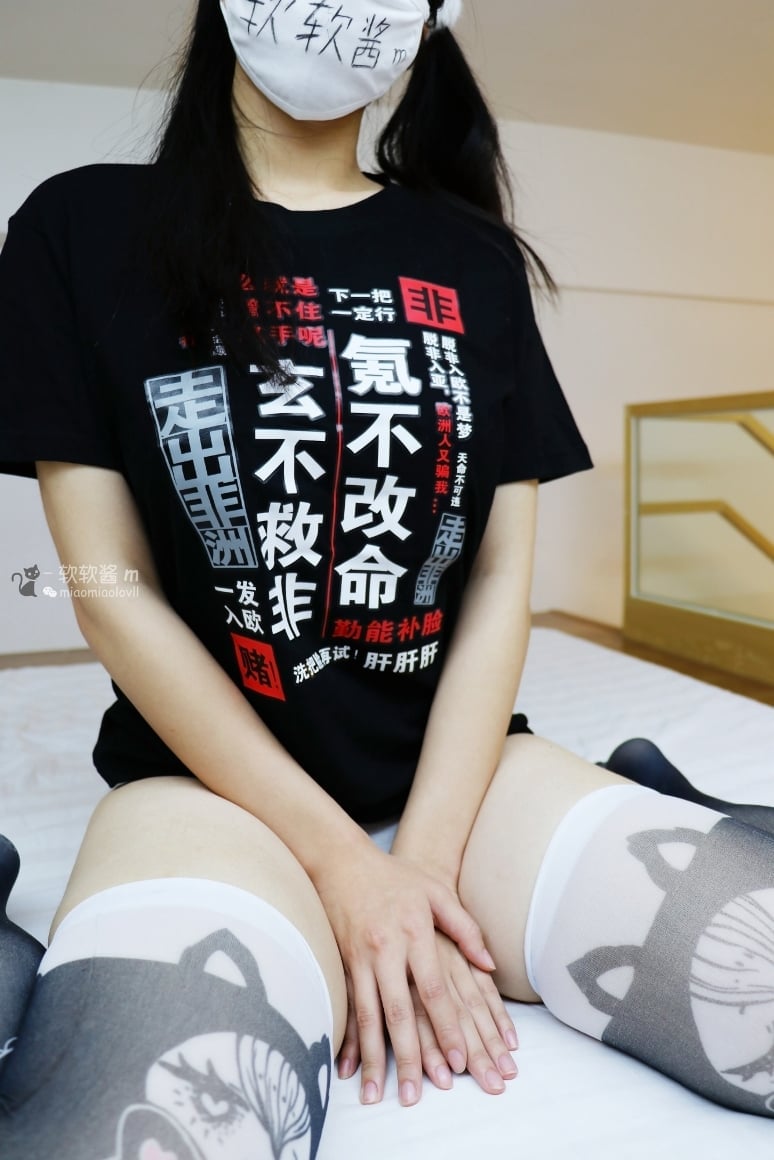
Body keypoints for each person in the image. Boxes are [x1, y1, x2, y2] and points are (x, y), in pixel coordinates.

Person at [1, 2, 773, 1154]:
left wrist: (418, 867)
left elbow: (500, 575)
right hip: (208, 791)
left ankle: (639, 788)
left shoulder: (473, 257)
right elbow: (111, 587)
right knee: (142, 1126)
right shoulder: (81, 224)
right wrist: (342, 869)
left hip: (463, 787)